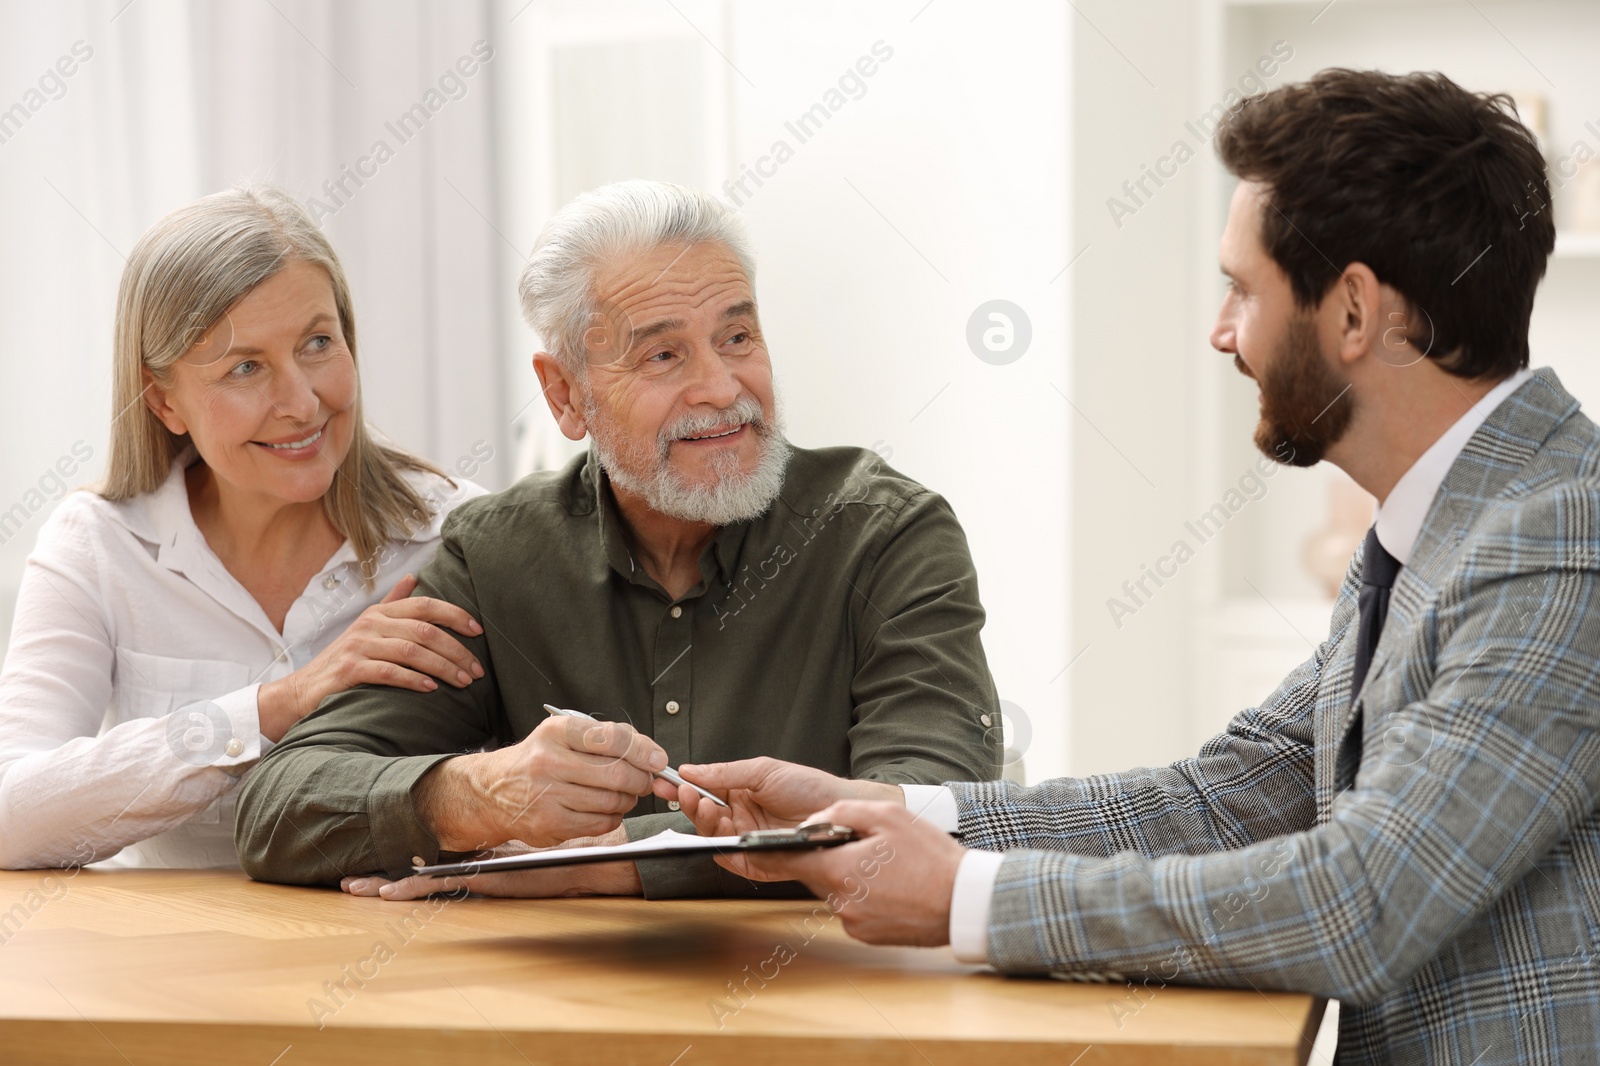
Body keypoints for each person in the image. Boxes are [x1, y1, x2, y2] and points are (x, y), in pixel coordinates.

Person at [659, 70, 1600, 1064]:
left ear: (1355, 312)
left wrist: (960, 895)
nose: (1221, 331)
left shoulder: (1554, 543)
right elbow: (1223, 799)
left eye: (1242, 288)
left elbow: (1356, 901)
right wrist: (896, 812)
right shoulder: (1442, 530)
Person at [235, 180, 1002, 898]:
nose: (723, 388)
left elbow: (939, 814)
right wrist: (477, 797)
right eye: (664, 355)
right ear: (566, 394)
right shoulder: (496, 554)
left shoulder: (887, 535)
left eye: (738, 336)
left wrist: (595, 863)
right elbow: (279, 811)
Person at [0, 186, 496, 870]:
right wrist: (274, 707)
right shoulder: (100, 545)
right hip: (171, 965)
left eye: (318, 342)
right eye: (245, 367)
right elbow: (11, 815)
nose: (301, 401)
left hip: (400, 959)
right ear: (164, 399)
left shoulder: (458, 534)